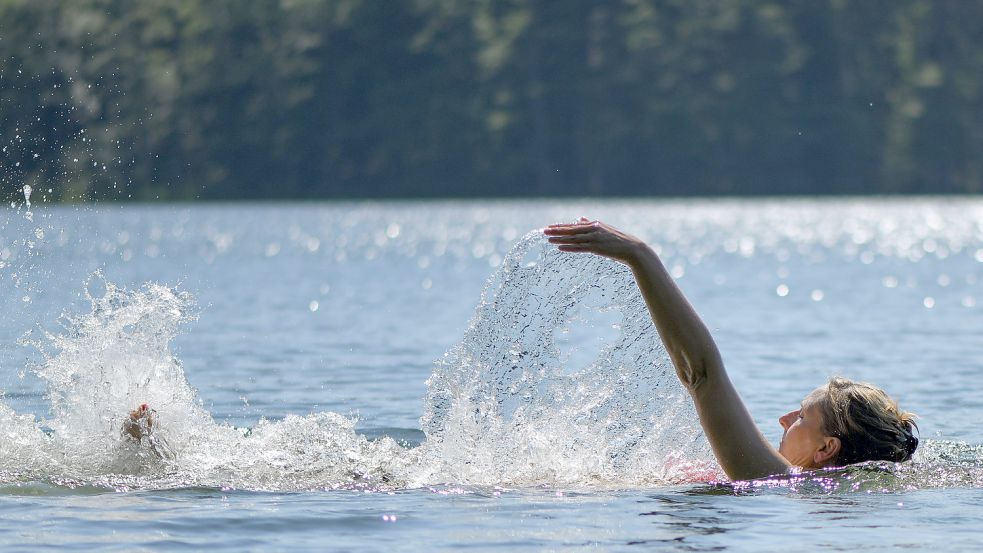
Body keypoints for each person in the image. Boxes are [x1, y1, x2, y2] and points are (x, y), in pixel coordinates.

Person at [544, 218, 918, 480]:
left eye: (803, 416)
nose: (784, 420)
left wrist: (641, 256)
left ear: (825, 449)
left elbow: (701, 374)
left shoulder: (774, 478)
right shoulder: (801, 486)